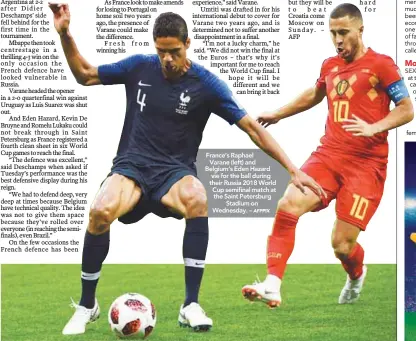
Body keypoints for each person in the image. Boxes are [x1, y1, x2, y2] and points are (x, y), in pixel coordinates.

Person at [49, 3, 324, 335]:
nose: (167, 59)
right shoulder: (139, 67)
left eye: (174, 52)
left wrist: (293, 169)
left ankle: (190, 305)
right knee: (100, 210)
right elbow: (85, 74)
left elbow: (252, 127)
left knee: (197, 196)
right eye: (161, 51)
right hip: (132, 167)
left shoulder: (206, 85)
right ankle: (87, 305)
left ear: (188, 44)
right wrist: (65, 33)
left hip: (173, 173)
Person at [242, 3, 414, 308]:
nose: (337, 39)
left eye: (343, 32)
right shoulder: (330, 65)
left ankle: (356, 275)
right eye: (333, 33)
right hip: (328, 155)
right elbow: (315, 93)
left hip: (366, 165)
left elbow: (406, 109)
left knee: (341, 245)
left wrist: (375, 126)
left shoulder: (382, 65)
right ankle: (272, 283)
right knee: (288, 204)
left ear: (360, 31)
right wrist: (279, 113)